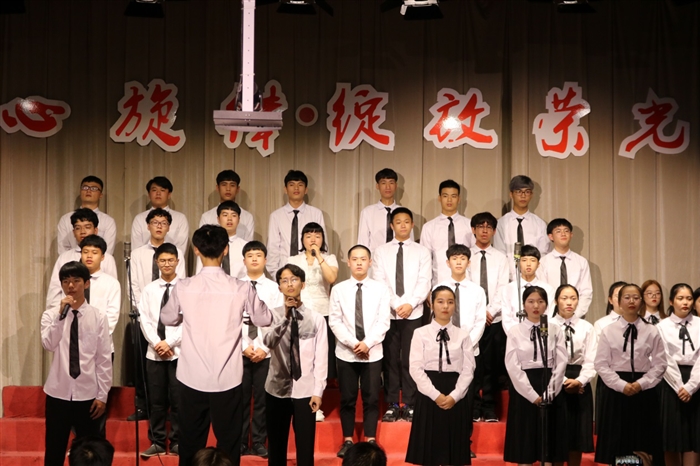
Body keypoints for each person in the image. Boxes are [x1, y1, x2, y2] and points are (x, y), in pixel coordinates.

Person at [160, 224, 274, 466]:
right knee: (230, 443)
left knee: (190, 443)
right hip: (227, 377)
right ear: (225, 250)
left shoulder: (184, 286)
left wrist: (184, 315)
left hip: (192, 376)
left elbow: (167, 318)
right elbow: (264, 319)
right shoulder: (241, 287)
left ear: (196, 250)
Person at [41, 262, 112, 466]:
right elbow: (48, 344)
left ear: (86, 284)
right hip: (58, 393)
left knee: (89, 451)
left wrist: (102, 395)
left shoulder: (98, 317)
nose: (70, 285)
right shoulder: (51, 315)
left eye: (76, 281)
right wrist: (60, 317)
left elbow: (103, 358)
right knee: (54, 449)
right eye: (66, 281)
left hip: (87, 394)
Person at [329, 245, 391, 457]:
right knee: (347, 398)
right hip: (346, 352)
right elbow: (335, 321)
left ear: (370, 262)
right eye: (354, 259)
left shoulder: (381, 289)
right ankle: (347, 440)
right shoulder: (339, 289)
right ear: (348, 262)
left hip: (372, 352)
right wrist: (354, 343)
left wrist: (367, 343)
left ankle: (370, 440)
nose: (358, 263)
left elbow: (383, 321)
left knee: (371, 398)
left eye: (363, 259)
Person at [594, 283, 667, 464]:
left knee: (643, 440)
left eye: (636, 297)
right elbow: (601, 364)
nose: (631, 301)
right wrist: (621, 385)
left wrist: (641, 383)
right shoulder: (609, 330)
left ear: (641, 301)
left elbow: (660, 363)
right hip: (617, 391)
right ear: (618, 302)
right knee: (619, 441)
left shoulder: (651, 330)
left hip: (644, 390)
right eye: (627, 297)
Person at [263, 264, 328, 466]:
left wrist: (318, 391)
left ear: (303, 284)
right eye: (284, 280)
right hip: (276, 389)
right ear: (279, 287)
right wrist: (285, 318)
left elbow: (321, 358)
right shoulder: (271, 315)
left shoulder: (316, 319)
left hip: (305, 390)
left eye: (294, 279)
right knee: (276, 448)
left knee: (305, 448)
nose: (289, 284)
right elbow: (268, 342)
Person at [405, 286, 476, 465]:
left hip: (455, 393)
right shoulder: (420, 333)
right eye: (440, 301)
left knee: (453, 452)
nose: (445, 306)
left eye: (450, 302)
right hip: (428, 392)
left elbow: (468, 369)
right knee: (429, 451)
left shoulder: (463, 335)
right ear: (431, 304)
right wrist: (435, 395)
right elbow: (415, 368)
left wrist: (455, 396)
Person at [373, 207, 432, 423]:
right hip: (388, 313)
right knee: (390, 360)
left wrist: (410, 304)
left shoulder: (422, 251)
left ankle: (409, 403)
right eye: (398, 222)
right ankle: (391, 403)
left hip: (414, 312)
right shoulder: (381, 251)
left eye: (407, 221)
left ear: (412, 224)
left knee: (410, 359)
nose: (403, 225)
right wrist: (397, 304)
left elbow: (424, 281)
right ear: (392, 225)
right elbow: (379, 280)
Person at [127, 208, 186, 421]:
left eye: (163, 222)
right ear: (148, 226)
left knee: (175, 384)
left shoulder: (177, 253)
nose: (159, 226)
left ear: (169, 227)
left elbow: (181, 286)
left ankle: (173, 417)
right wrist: (142, 309)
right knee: (146, 369)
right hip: (146, 318)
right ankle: (144, 408)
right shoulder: (137, 254)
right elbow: (133, 285)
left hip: (175, 330)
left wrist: (168, 341)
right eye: (155, 222)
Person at [503, 286, 568, 465]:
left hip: (550, 384)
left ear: (547, 304)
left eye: (540, 301)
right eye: (531, 301)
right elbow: (512, 365)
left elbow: (561, 361)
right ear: (524, 304)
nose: (536, 306)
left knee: (549, 443)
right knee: (525, 441)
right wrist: (532, 395)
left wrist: (550, 393)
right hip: (524, 388)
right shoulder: (515, 331)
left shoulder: (555, 329)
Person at [434, 244, 485, 457]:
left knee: (466, 398)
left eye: (462, 258)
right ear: (447, 263)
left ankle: (464, 443)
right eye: (454, 258)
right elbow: (436, 319)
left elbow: (480, 321)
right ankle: (441, 442)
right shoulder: (439, 288)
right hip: (443, 352)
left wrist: (464, 345)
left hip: (469, 351)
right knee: (444, 396)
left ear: (469, 262)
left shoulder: (477, 290)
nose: (458, 262)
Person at [287, 221, 339, 420]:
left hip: (322, 312)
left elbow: (331, 278)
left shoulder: (329, 258)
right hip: (298, 312)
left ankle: (316, 402)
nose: (313, 239)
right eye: (308, 236)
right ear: (302, 239)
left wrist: (319, 257)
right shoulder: (293, 259)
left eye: (317, 236)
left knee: (319, 359)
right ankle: (297, 401)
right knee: (298, 358)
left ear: (322, 239)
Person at [138, 243, 183, 457]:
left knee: (178, 399)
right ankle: (156, 440)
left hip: (178, 353)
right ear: (157, 262)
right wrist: (158, 343)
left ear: (177, 261)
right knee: (156, 401)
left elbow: (189, 320)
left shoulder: (185, 288)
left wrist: (170, 343)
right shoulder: (149, 289)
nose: (166, 264)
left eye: (170, 260)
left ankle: (177, 441)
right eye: (163, 260)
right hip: (154, 353)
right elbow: (145, 320)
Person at [239, 241, 283, 457]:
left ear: (265, 260)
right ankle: (239, 442)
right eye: (250, 255)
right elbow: (229, 320)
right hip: (239, 351)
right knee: (240, 398)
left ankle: (258, 441)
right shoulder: (235, 286)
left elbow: (278, 321)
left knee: (262, 400)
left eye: (258, 255)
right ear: (244, 260)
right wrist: (244, 346)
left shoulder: (274, 288)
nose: (254, 259)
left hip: (265, 353)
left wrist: (263, 348)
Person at [468, 212, 509, 423]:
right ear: (473, 229)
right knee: (473, 365)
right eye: (480, 226)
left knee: (492, 366)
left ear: (493, 231)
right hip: (472, 320)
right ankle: (474, 407)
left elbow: (503, 288)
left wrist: (490, 311)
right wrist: (478, 313)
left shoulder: (501, 258)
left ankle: (490, 408)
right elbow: (466, 286)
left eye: (488, 227)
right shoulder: (466, 255)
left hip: (494, 319)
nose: (484, 230)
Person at [552, 285, 596, 466]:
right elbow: (547, 358)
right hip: (555, 380)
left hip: (580, 381)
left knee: (577, 435)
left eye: (573, 298)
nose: (569, 302)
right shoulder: (548, 325)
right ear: (556, 301)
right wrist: (562, 381)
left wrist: (580, 381)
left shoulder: (587, 327)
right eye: (564, 298)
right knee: (556, 434)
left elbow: (592, 359)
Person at [656, 283, 699, 466]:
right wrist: (680, 386)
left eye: (689, 298)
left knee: (694, 434)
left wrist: (691, 386)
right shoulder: (661, 326)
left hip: (696, 380)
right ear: (671, 301)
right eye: (680, 298)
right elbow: (663, 357)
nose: (685, 302)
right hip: (670, 382)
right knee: (672, 435)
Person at [46, 209, 118, 311]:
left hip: (99, 315)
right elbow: (55, 291)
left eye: (87, 227)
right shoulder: (64, 258)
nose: (82, 232)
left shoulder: (107, 258)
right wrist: (57, 314)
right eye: (78, 228)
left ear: (95, 230)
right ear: (73, 232)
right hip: (69, 315)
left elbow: (112, 290)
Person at [266, 170, 326, 277]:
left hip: (310, 271)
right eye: (292, 185)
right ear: (285, 189)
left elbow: (322, 245)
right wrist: (276, 275)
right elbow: (272, 248)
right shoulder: (276, 216)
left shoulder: (316, 214)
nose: (296, 188)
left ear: (306, 190)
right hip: (284, 270)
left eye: (300, 185)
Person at [419, 179, 474, 286]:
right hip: (439, 282)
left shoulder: (469, 225)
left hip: (466, 283)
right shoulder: (429, 227)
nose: (449, 200)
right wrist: (427, 287)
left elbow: (474, 255)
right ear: (439, 198)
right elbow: (425, 260)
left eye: (453, 196)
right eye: (445, 196)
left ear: (459, 199)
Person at [493, 175, 549, 280]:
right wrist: (511, 277)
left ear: (531, 195)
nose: (523, 196)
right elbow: (500, 253)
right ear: (511, 194)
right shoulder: (501, 223)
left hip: (534, 279)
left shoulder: (540, 224)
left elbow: (542, 254)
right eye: (519, 191)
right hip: (508, 279)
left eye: (527, 192)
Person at [538, 219, 593, 318]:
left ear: (571, 235)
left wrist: (575, 314)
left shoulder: (581, 262)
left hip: (576, 316)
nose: (563, 234)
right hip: (551, 316)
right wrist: (553, 315)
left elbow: (586, 292)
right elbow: (543, 291)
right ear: (551, 236)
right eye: (558, 231)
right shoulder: (543, 262)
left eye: (566, 231)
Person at [497, 244, 555, 334]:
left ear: (538, 264)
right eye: (524, 260)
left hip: (540, 335)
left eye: (532, 260)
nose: (528, 264)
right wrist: (517, 336)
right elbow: (507, 319)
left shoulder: (548, 289)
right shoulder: (508, 289)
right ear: (518, 263)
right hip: (515, 336)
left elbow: (549, 315)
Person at [57, 176, 117, 255]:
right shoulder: (66, 219)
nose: (88, 191)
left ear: (100, 195)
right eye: (85, 187)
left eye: (94, 188)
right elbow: (63, 250)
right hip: (71, 262)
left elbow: (107, 251)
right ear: (80, 191)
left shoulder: (108, 221)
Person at [357, 168, 413, 252]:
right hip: (375, 257)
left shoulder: (404, 212)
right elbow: (362, 242)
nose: (388, 187)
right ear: (377, 186)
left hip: (400, 256)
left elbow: (410, 241)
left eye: (391, 183)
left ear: (396, 185)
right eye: (383, 183)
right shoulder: (367, 212)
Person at [131, 176, 189, 252]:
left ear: (169, 194)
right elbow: (136, 249)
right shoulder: (139, 219)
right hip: (144, 259)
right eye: (154, 190)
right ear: (149, 194)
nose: (158, 193)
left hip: (172, 259)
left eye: (162, 190)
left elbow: (180, 249)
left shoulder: (180, 218)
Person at [195, 201, 247, 278]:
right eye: (225, 215)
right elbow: (200, 270)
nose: (229, 219)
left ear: (239, 219)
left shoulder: (245, 246)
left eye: (233, 215)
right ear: (218, 219)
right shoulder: (209, 243)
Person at [199, 170, 255, 241]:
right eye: (224, 185)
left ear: (237, 189)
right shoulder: (206, 217)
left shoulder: (247, 217)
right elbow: (202, 243)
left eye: (232, 185)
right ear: (217, 188)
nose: (228, 189)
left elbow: (248, 244)